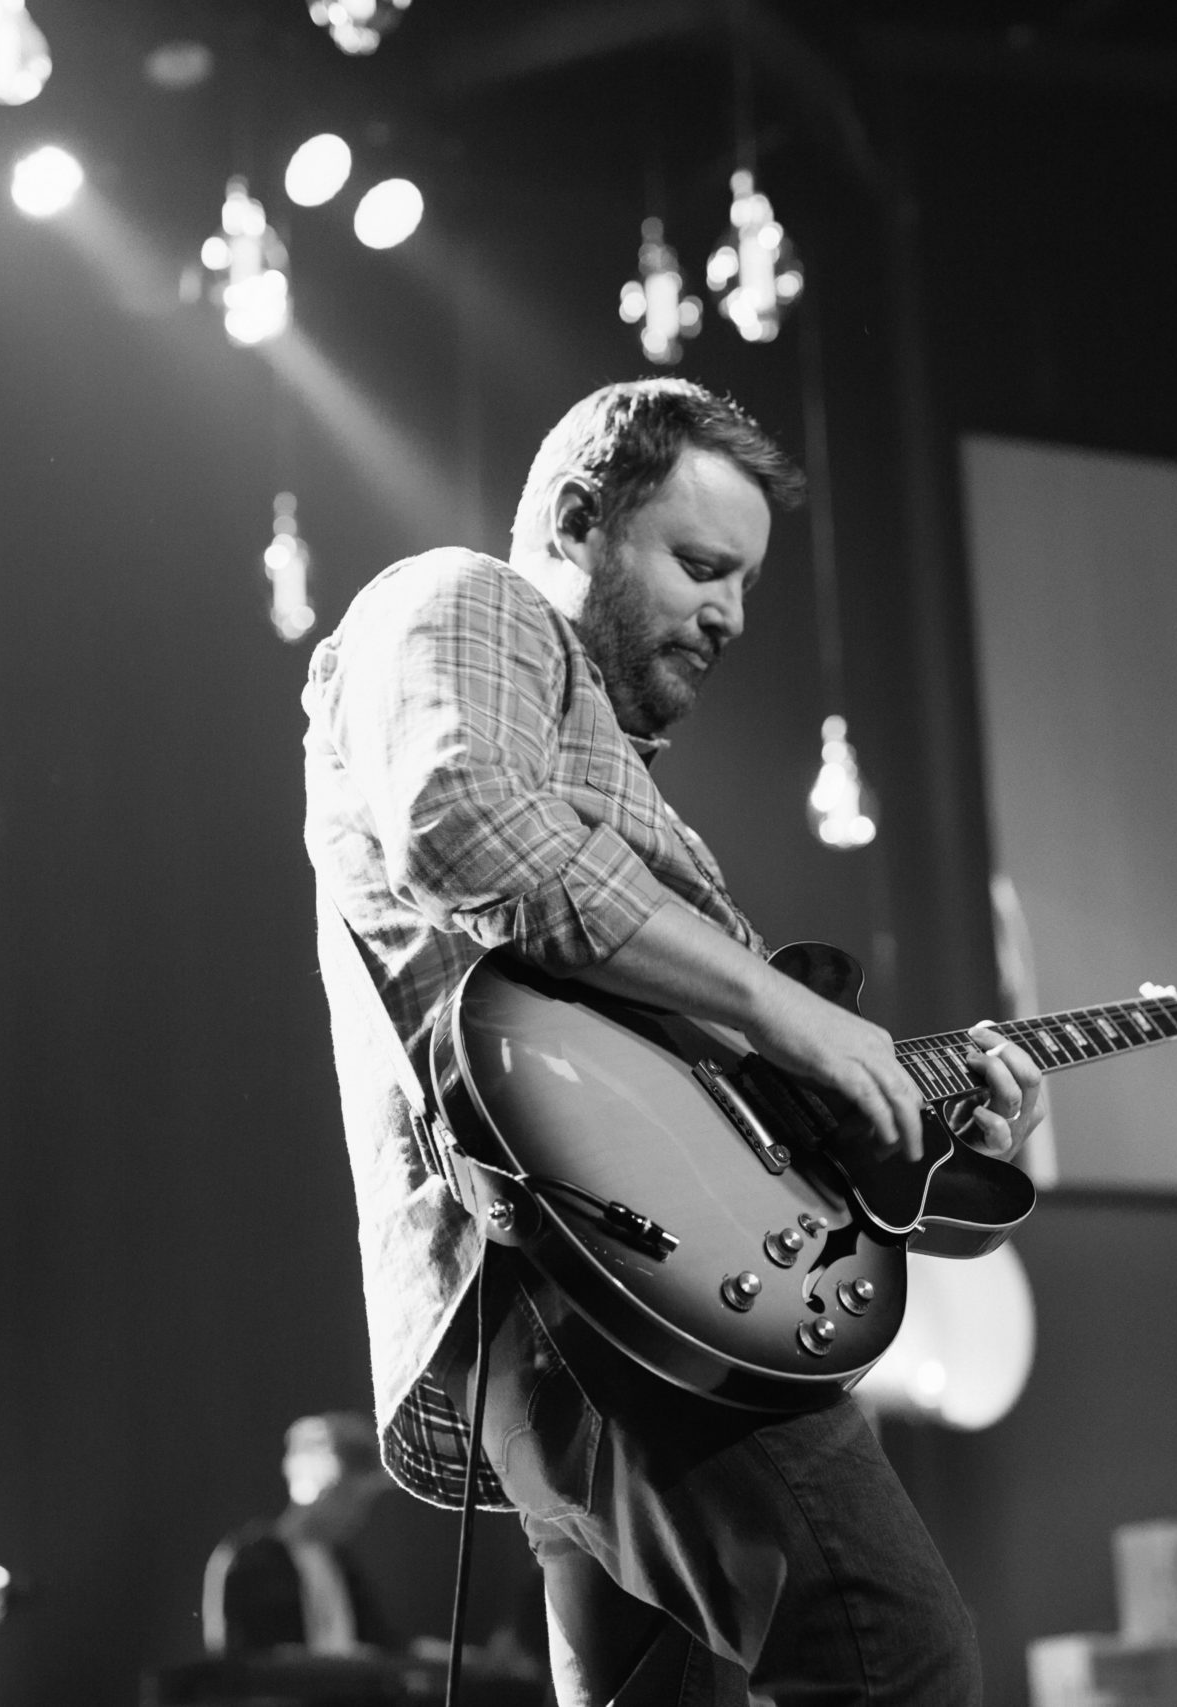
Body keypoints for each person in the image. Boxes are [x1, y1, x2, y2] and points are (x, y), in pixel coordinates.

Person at [302, 377, 1046, 1705]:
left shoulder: (613, 822)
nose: (732, 614)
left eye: (747, 583)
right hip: (593, 1292)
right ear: (577, 521)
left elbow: (747, 1147)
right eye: (702, 565)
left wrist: (936, 1140)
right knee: (892, 1654)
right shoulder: (463, 596)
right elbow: (463, 822)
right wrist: (784, 1006)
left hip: (615, 1300)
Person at [202, 1411, 398, 1657]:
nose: (357, 1514)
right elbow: (237, 1659)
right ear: (313, 1482)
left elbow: (384, 1645)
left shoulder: (346, 1568)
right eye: (348, 1497)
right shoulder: (250, 1563)